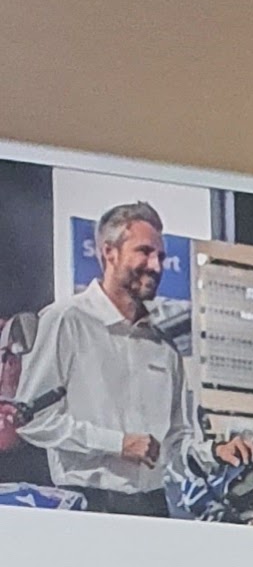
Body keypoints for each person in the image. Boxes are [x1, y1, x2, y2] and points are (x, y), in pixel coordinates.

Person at [11, 202, 191, 512]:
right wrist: (117, 443)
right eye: (144, 251)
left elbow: (177, 439)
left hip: (154, 506)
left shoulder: (164, 346)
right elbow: (33, 420)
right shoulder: (65, 319)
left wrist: (216, 453)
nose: (156, 266)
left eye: (161, 256)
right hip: (88, 503)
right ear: (109, 252)